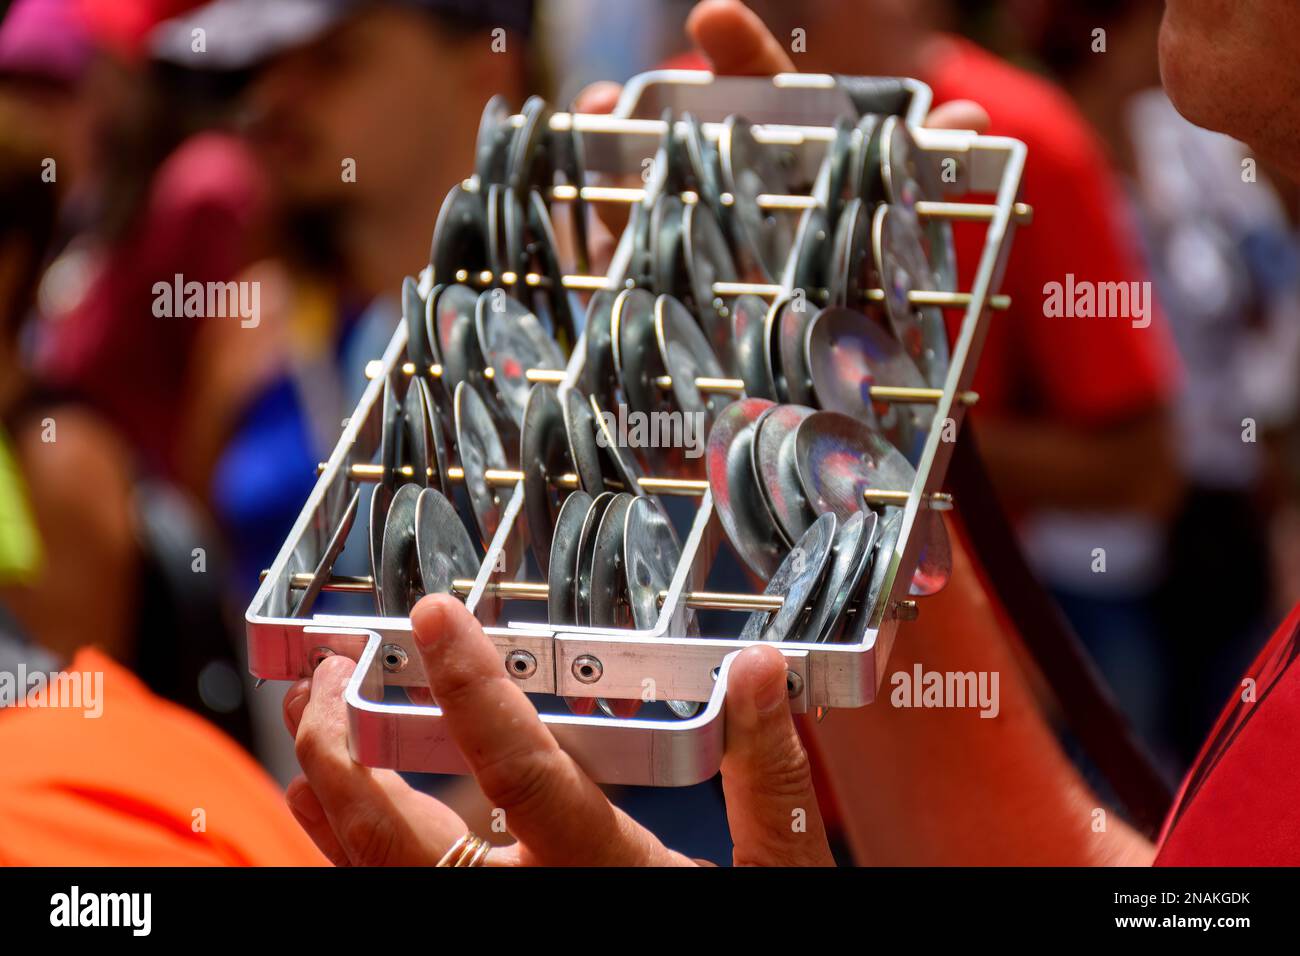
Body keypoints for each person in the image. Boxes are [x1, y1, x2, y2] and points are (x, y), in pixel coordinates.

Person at [282, 0, 1300, 866]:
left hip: (1096, 601)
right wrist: (833, 483)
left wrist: (847, 462)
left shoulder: (1026, 128)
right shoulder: (704, 110)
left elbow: (1142, 460)